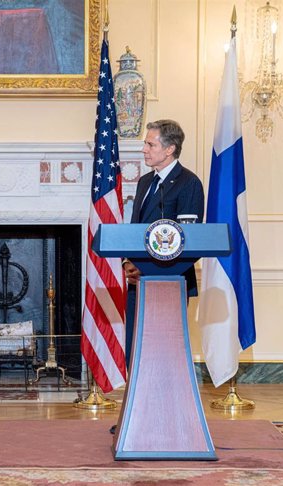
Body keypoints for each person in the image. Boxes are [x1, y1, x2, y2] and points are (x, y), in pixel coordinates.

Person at [123, 119, 205, 367]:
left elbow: (188, 240)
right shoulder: (145, 182)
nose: (144, 149)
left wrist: (149, 267)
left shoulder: (189, 183)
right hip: (137, 281)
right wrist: (129, 263)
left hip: (170, 280)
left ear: (169, 149)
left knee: (164, 353)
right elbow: (136, 228)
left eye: (150, 144)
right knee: (136, 349)